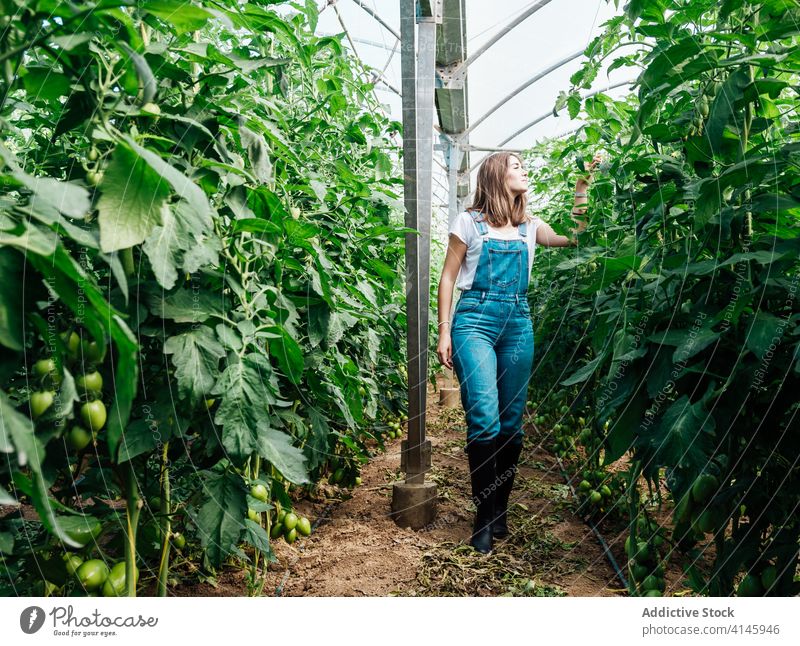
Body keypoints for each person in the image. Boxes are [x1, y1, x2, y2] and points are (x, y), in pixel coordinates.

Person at [436, 151, 601, 554]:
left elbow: (575, 236)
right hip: (474, 319)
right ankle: (482, 516)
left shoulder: (530, 226)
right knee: (485, 419)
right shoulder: (469, 222)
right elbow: (448, 276)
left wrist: (582, 187)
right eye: (516, 166)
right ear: (496, 175)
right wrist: (443, 331)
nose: (523, 171)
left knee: (511, 424)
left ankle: (499, 509)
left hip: (517, 322)